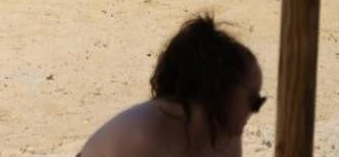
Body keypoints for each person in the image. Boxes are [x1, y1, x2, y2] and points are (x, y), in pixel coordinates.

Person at [80, 14, 264, 156]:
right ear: (219, 93)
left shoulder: (225, 133)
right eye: (254, 100)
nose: (255, 110)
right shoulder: (142, 136)